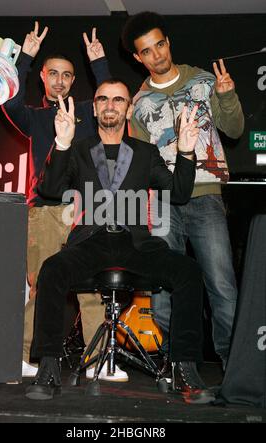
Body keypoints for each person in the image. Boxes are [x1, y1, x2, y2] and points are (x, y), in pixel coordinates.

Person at [25, 78, 215, 405]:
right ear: (95, 107)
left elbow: (180, 194)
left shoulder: (145, 152)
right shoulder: (79, 148)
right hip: (91, 239)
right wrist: (62, 143)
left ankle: (184, 369)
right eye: (103, 99)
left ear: (128, 108)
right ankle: (49, 367)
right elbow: (50, 190)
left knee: (188, 271)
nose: (110, 105)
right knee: (52, 269)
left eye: (118, 100)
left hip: (136, 242)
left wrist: (185, 152)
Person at [121, 11, 244, 369]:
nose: (157, 55)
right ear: (137, 58)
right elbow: (140, 165)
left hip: (205, 196)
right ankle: (180, 364)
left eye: (160, 45)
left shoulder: (205, 82)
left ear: (168, 42)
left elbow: (235, 130)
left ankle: (233, 364)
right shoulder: (139, 105)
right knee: (162, 292)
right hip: (161, 203)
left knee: (221, 286)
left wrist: (228, 95)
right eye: (147, 51)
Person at [3, 22, 110, 377]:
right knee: (42, 286)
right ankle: (23, 357)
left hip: (83, 211)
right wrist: (26, 58)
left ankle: (98, 362)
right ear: (43, 79)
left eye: (66, 75)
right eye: (53, 74)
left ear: (73, 80)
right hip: (45, 212)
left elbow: (110, 101)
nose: (60, 80)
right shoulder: (33, 117)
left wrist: (100, 65)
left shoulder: (87, 113)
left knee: (92, 288)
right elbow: (9, 99)